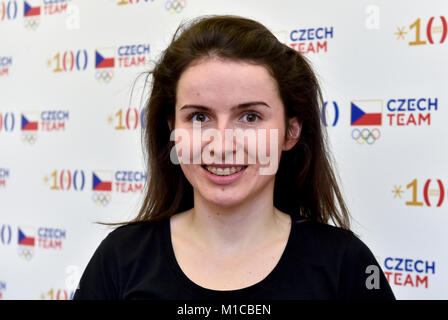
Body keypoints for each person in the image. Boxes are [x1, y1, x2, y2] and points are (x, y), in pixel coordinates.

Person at [73, 15, 395, 300]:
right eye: (199, 118)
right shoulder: (119, 259)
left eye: (250, 117)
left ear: (290, 132)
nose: (222, 145)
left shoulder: (347, 265)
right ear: (173, 130)